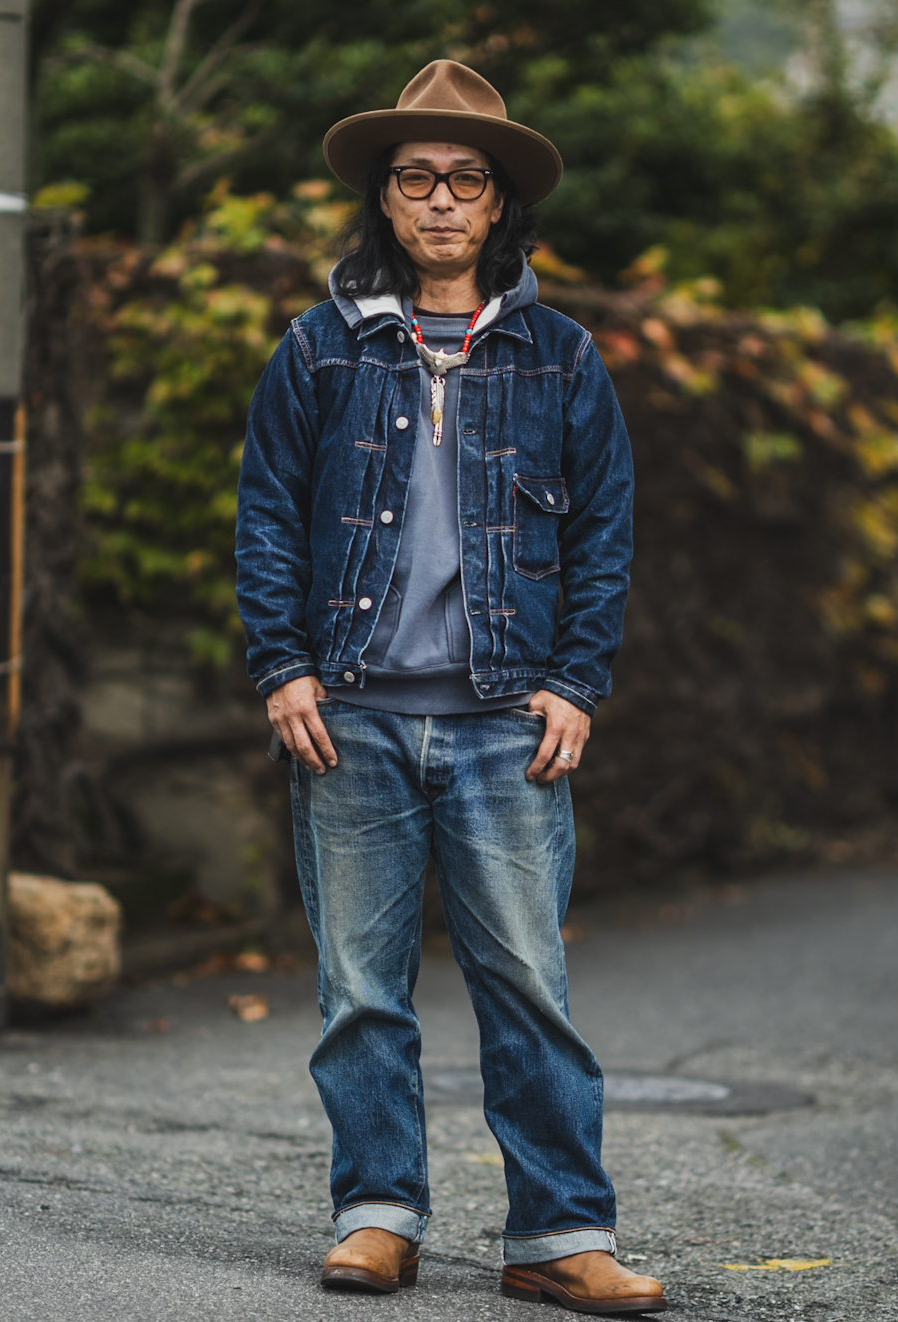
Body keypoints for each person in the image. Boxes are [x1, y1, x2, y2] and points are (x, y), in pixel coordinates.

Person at [234, 58, 663, 1316]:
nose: (438, 201)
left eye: (463, 180)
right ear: (383, 198)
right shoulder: (317, 349)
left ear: (496, 204)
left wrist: (575, 681)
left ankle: (558, 1233)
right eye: (414, 178)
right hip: (351, 715)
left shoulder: (559, 356)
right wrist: (283, 667)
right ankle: (376, 1217)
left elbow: (603, 530)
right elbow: (266, 516)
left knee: (528, 986)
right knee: (359, 993)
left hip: (503, 724)